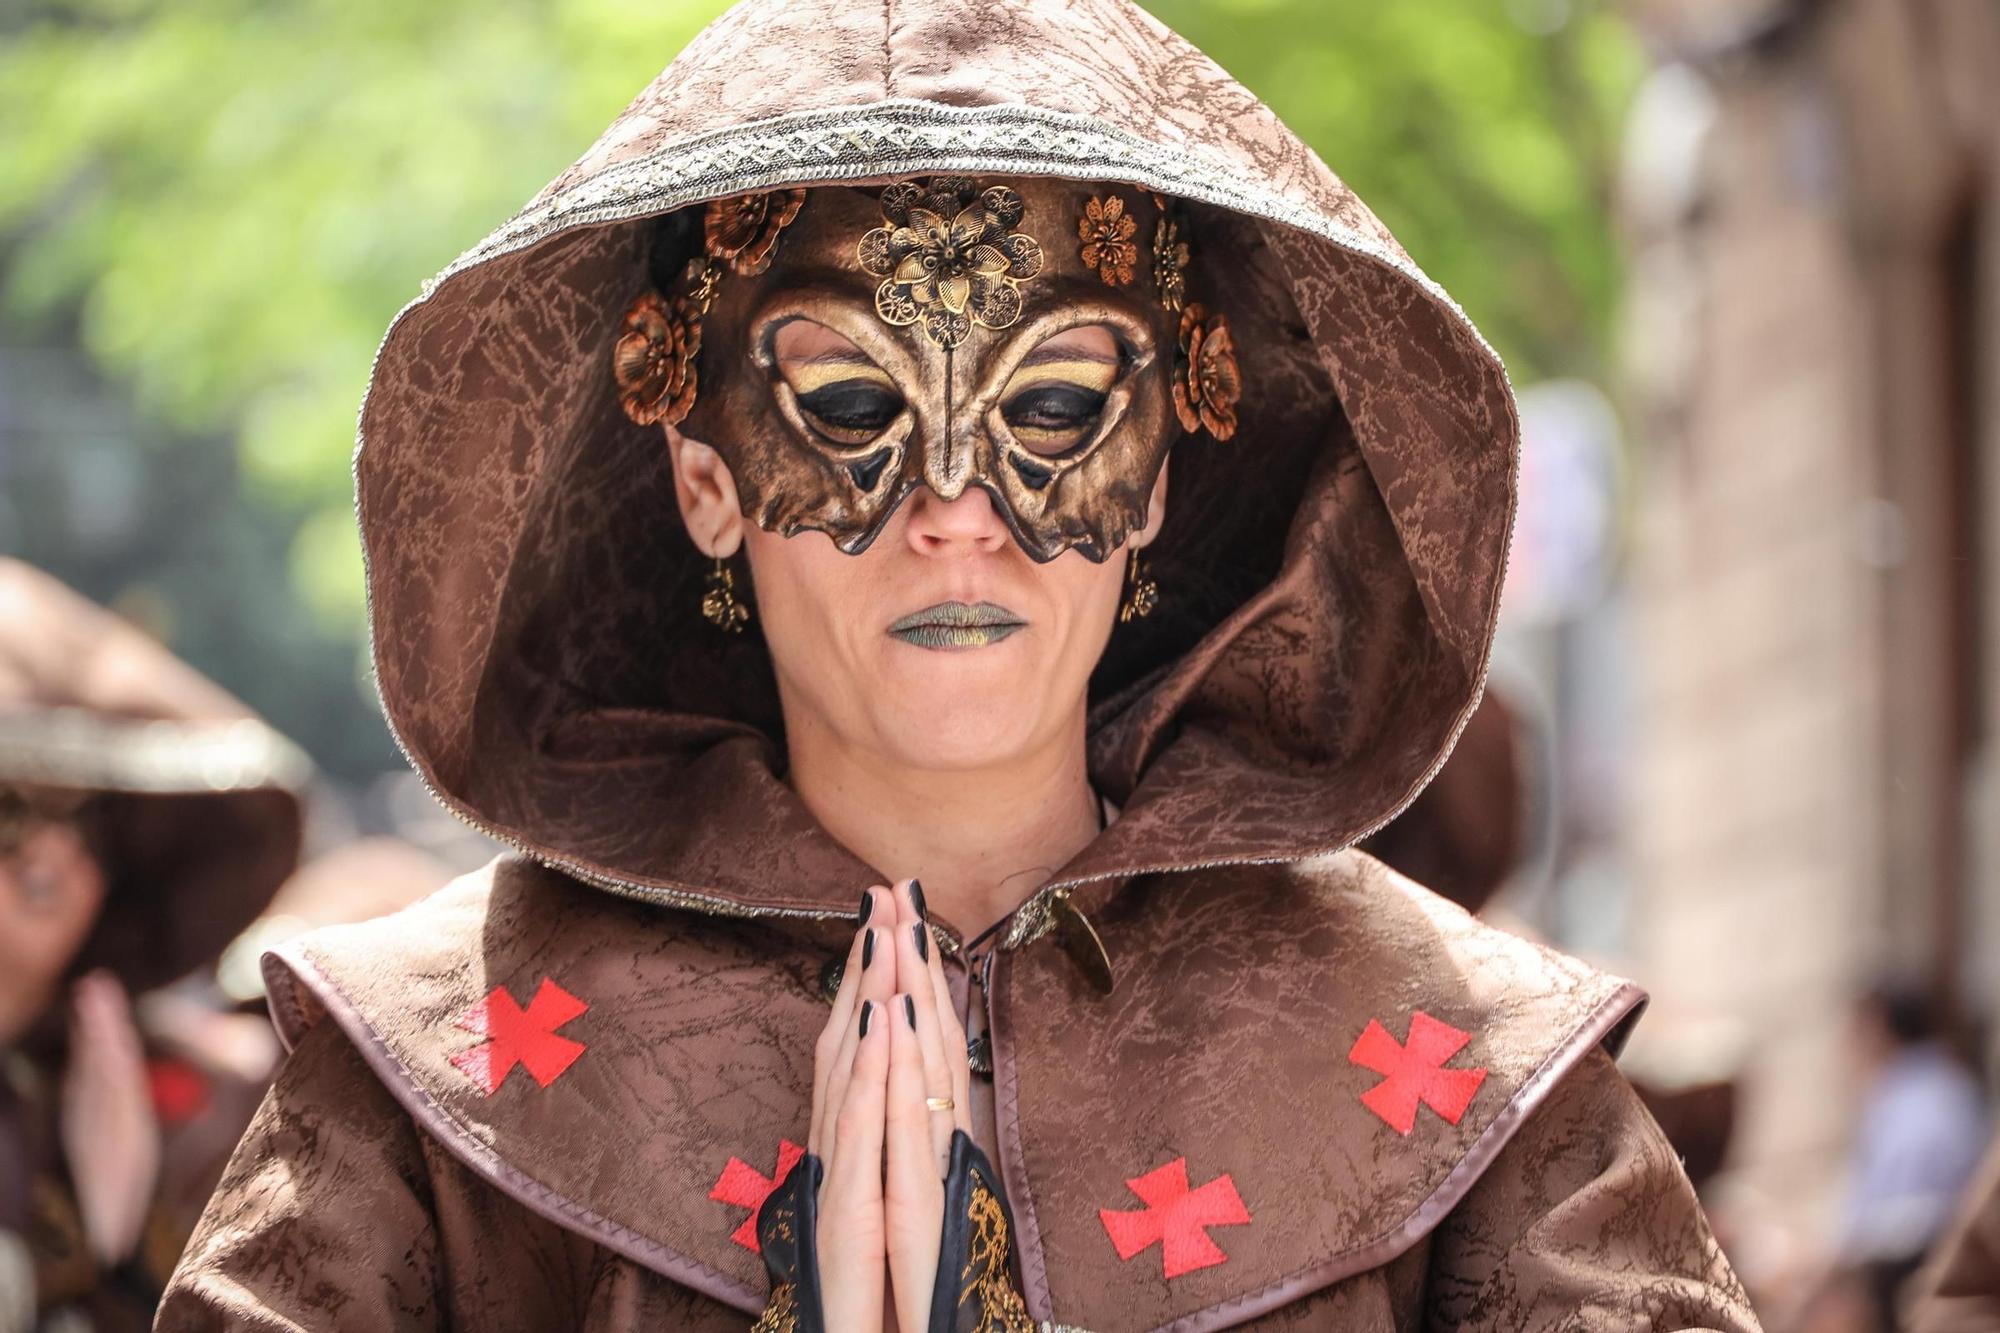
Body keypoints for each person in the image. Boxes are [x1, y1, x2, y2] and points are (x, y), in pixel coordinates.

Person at [158, 0, 1760, 1327]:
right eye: (850, 410)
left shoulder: (1483, 1096)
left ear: (1152, 476)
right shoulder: (429, 1089)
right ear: (706, 480)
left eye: (1052, 409)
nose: (953, 515)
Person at [0, 560, 306, 1331]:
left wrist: (122, 1253)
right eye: (9, 809)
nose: (41, 857)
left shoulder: (206, 1098)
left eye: (68, 816)